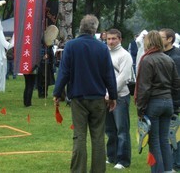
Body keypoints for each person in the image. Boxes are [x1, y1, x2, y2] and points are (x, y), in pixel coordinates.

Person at [53, 14, 117, 173]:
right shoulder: (102, 47)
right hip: (97, 98)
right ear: (94, 29)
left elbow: (64, 71)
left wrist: (57, 92)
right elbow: (109, 74)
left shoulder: (71, 46)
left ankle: (78, 170)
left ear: (80, 28)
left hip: (78, 97)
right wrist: (113, 96)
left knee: (79, 136)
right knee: (98, 137)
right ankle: (98, 170)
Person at [135, 30, 179, 173]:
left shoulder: (147, 60)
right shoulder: (169, 59)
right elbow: (176, 84)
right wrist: (175, 105)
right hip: (168, 102)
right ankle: (168, 170)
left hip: (154, 103)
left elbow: (144, 88)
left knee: (154, 142)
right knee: (164, 140)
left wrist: (140, 109)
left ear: (148, 42)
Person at [105, 29, 133, 169]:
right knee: (109, 130)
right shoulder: (105, 53)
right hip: (106, 97)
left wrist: (111, 95)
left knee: (122, 130)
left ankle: (123, 160)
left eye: (114, 39)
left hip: (120, 96)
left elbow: (123, 78)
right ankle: (111, 156)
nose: (111, 41)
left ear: (120, 39)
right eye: (109, 39)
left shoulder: (125, 55)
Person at [159, 28, 180, 172]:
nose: (158, 39)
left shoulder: (176, 57)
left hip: (172, 100)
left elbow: (176, 83)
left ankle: (176, 163)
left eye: (161, 37)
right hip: (163, 99)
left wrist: (176, 103)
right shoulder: (160, 54)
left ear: (170, 39)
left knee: (174, 132)